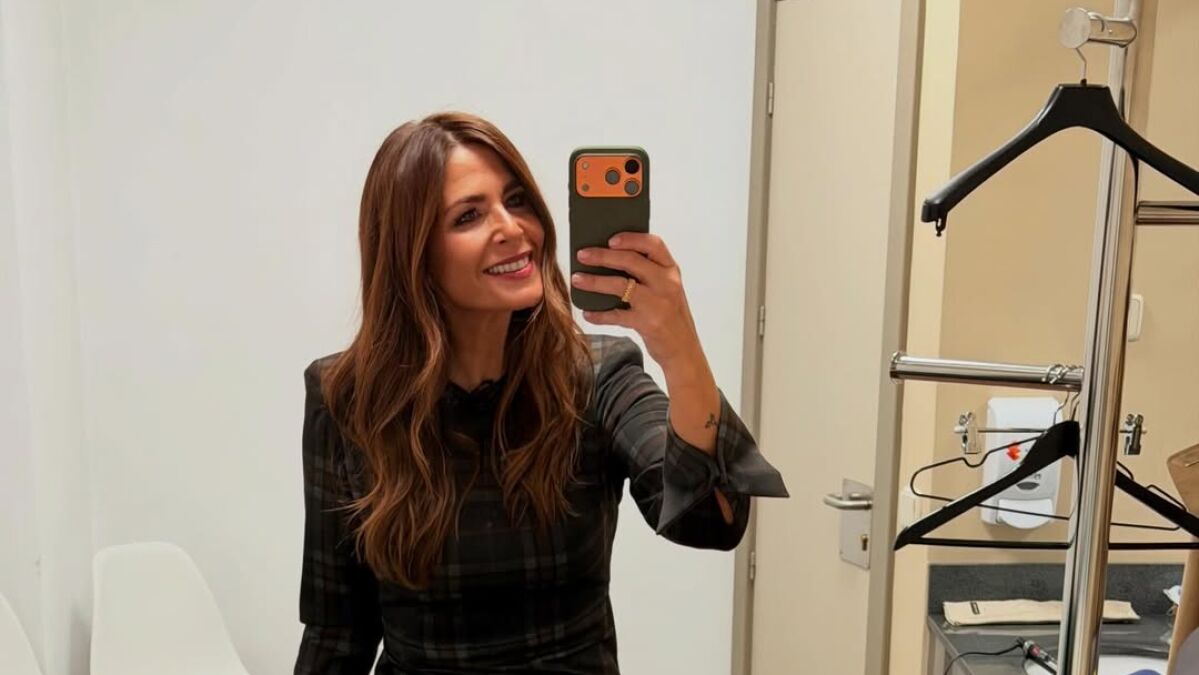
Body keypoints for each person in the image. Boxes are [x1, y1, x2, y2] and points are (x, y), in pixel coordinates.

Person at [294, 111, 788, 675]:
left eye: (517, 200)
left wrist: (678, 347)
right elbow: (337, 632)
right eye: (469, 215)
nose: (512, 228)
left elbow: (713, 522)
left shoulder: (597, 375)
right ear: (413, 254)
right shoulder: (346, 398)